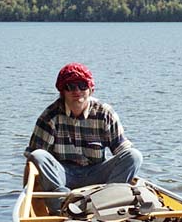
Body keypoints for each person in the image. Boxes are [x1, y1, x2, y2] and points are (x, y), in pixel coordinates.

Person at [25, 62, 142, 212]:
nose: (77, 91)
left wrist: (129, 174)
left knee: (134, 156)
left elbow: (122, 150)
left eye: (82, 85)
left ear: (91, 89)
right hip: (64, 174)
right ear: (62, 91)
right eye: (70, 86)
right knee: (38, 155)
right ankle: (61, 207)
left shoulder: (105, 113)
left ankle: (109, 200)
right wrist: (29, 197)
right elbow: (32, 160)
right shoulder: (49, 116)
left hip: (96, 172)